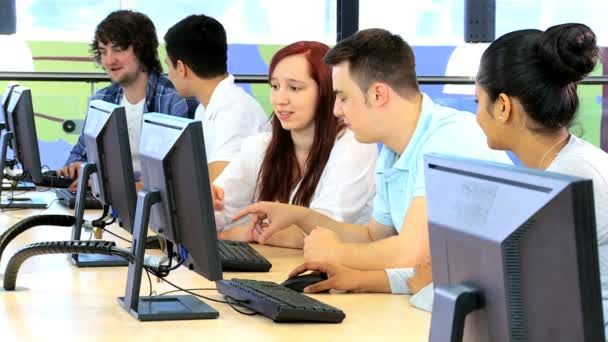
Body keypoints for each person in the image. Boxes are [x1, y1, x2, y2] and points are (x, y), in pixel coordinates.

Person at [232, 28, 510, 296]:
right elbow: (373, 236)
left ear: (378, 95)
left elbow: (411, 253)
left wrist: (336, 253)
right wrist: (300, 217)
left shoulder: (449, 140)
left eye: (342, 97)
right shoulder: (393, 151)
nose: (335, 110)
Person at [475, 23, 608, 331]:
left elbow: (506, 290)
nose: (477, 116)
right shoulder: (567, 165)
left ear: (503, 107)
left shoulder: (569, 178)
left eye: (478, 101)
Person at [212, 41, 377, 248]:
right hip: (280, 269)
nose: (280, 99)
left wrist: (245, 233)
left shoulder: (354, 145)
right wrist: (207, 202)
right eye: (274, 86)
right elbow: (217, 212)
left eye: (294, 88)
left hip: (331, 272)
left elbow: (320, 231)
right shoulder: (260, 146)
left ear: (326, 91)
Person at [57, 10, 197, 191]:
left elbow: (180, 176)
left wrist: (113, 185)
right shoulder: (101, 100)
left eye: (118, 49)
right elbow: (79, 154)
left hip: (152, 208)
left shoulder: (176, 101)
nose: (109, 60)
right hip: (110, 201)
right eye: (103, 51)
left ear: (141, 49)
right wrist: (77, 168)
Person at [164, 14, 269, 181]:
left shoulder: (233, 111)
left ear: (181, 68)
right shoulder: (205, 108)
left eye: (168, 65)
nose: (168, 75)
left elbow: (217, 190)